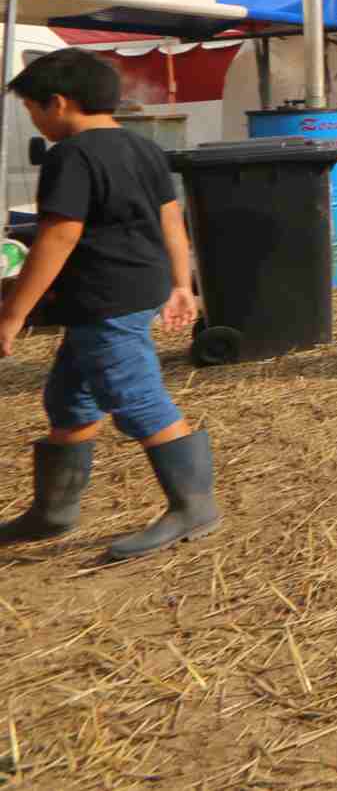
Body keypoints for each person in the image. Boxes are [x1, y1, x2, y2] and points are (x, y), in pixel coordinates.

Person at [0, 50, 219, 559]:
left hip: (106, 300)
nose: (33, 119)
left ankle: (194, 506)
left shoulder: (71, 156)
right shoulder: (143, 147)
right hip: (129, 293)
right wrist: (181, 283)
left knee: (136, 397)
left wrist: (13, 313)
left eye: (31, 108)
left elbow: (59, 236)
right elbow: (171, 219)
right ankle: (53, 511)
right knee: (70, 399)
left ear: (58, 102)